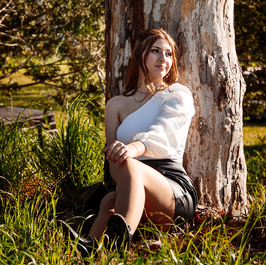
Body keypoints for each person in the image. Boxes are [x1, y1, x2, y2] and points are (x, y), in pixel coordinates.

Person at [65, 29, 197, 255]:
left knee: (130, 164)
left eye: (168, 54)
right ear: (139, 55)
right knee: (109, 201)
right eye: (155, 51)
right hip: (129, 187)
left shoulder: (177, 94)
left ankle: (119, 242)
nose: (163, 59)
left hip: (171, 192)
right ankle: (89, 251)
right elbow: (113, 162)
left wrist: (130, 150)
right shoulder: (115, 105)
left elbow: (162, 135)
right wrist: (121, 158)